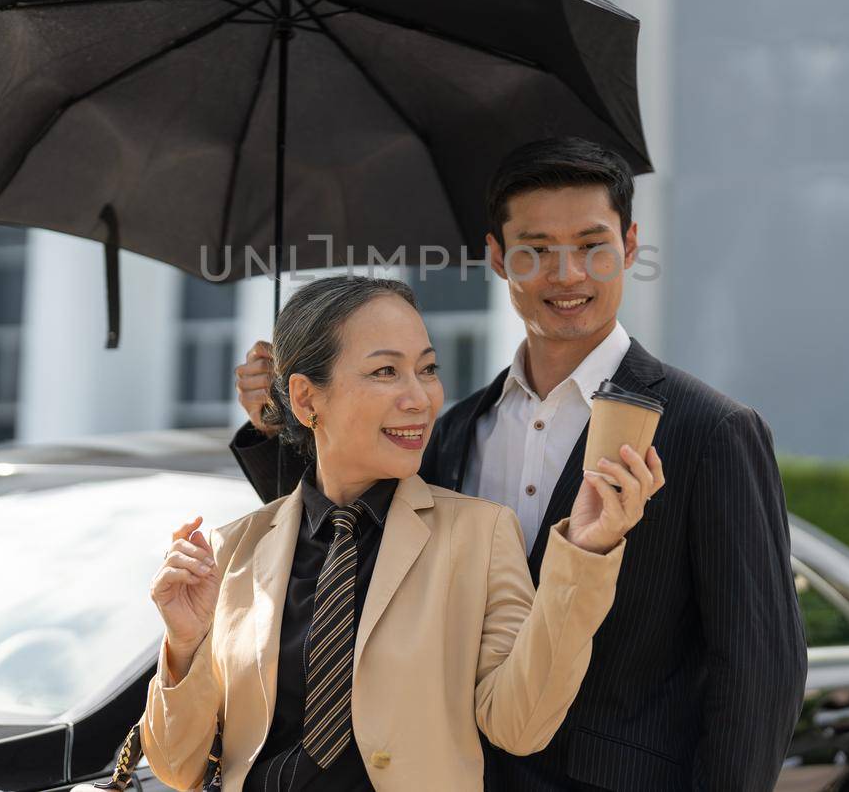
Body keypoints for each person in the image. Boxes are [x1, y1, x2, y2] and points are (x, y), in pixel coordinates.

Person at [230, 137, 807, 792]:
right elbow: (348, 558)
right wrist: (284, 421)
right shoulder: (449, 432)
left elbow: (760, 669)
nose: (566, 274)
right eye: (535, 249)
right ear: (500, 257)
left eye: (592, 245)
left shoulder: (712, 431)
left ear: (631, 246)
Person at [143, 275, 665, 791]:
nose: (420, 398)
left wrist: (586, 549)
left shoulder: (479, 536)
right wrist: (183, 646)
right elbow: (177, 767)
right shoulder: (233, 550)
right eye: (386, 371)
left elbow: (521, 727)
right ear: (305, 399)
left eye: (428, 369)